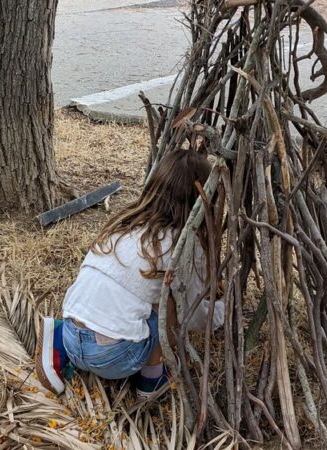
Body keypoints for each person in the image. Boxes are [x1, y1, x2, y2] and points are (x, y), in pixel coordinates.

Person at [35, 150, 224, 397]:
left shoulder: (125, 223)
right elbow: (193, 313)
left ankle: (58, 338)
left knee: (122, 286)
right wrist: (221, 312)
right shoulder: (184, 247)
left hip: (73, 330)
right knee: (168, 297)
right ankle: (151, 378)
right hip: (117, 359)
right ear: (201, 200)